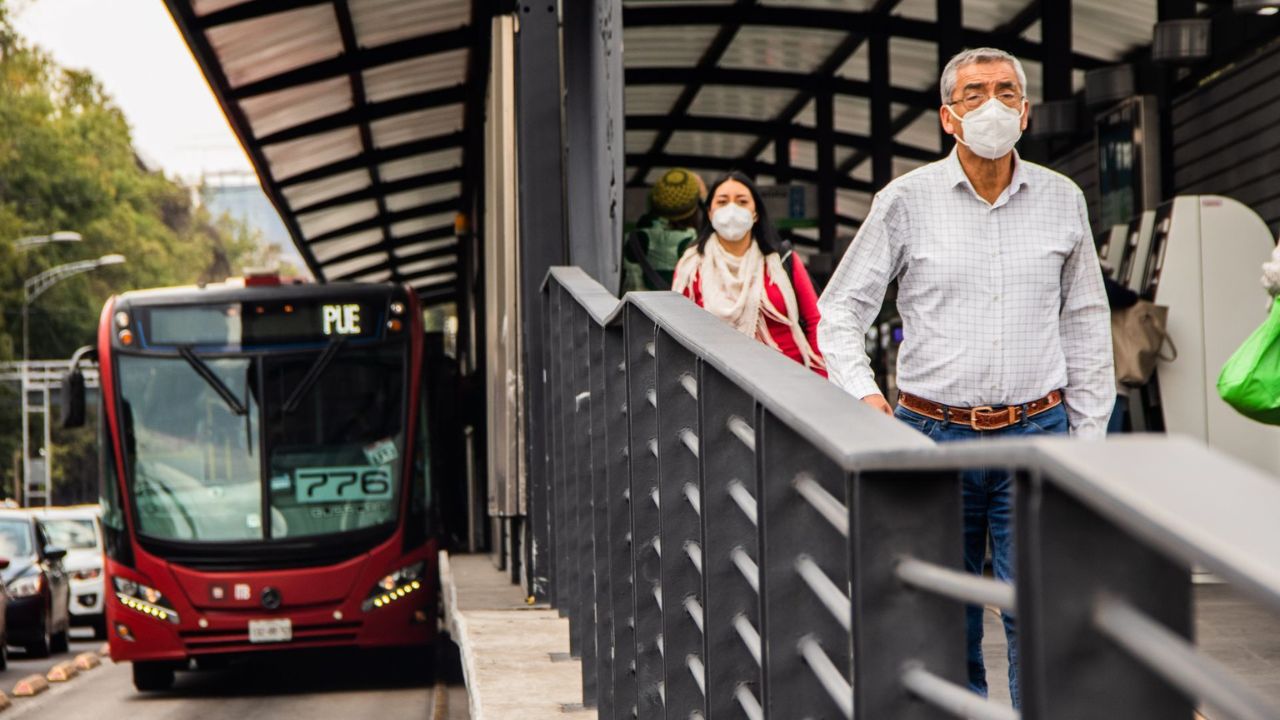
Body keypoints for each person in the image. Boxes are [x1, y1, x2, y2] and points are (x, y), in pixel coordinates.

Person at [817, 48, 1113, 707]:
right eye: (975, 94)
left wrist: (1089, 439)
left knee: (1038, 606)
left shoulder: (1062, 200)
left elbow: (1088, 321)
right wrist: (866, 400)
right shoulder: (907, 201)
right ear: (948, 118)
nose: (992, 105)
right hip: (931, 436)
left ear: (1027, 111)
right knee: (941, 614)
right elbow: (839, 309)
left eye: (1007, 92)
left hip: (1039, 433)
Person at [672, 171, 826, 376]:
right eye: (723, 201)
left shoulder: (782, 260)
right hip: (718, 387)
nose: (732, 209)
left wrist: (821, 380)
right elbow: (675, 331)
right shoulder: (691, 268)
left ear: (755, 213)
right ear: (710, 212)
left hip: (791, 386)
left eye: (742, 201)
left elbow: (815, 320)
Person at [621, 168, 706, 292]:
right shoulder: (696, 246)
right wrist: (704, 198)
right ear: (695, 207)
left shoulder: (632, 240)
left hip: (635, 310)